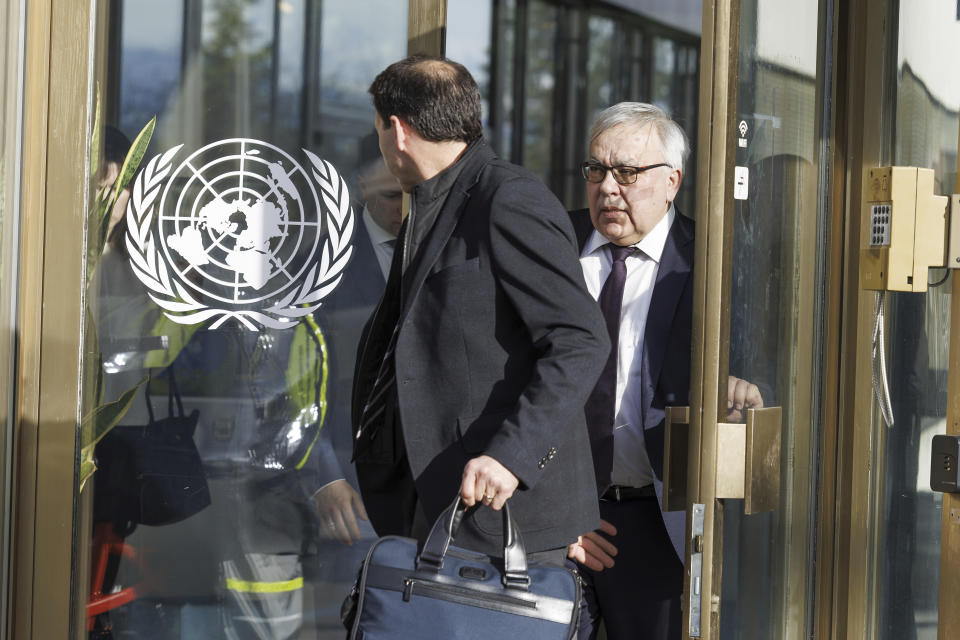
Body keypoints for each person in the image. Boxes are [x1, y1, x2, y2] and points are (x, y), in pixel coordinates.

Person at [352, 54, 609, 560]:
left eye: (379, 130)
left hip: (498, 515)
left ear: (397, 131)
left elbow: (580, 340)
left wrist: (511, 457)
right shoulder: (430, 204)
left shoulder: (508, 199)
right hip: (439, 505)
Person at [565, 102, 763, 640]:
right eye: (596, 170)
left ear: (672, 181)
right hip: (556, 517)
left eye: (627, 173)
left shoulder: (714, 263)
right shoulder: (551, 246)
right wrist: (550, 511)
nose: (608, 187)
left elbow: (754, 375)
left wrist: (736, 395)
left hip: (659, 516)